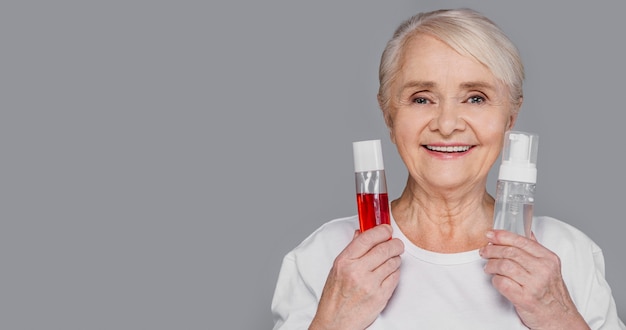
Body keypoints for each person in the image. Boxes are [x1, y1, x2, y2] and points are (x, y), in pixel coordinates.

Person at [271, 8, 625, 329]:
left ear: (510, 117)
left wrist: (560, 319)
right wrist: (332, 323)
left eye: (476, 98)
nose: (447, 123)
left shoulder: (568, 253)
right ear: (389, 116)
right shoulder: (325, 256)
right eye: (421, 98)